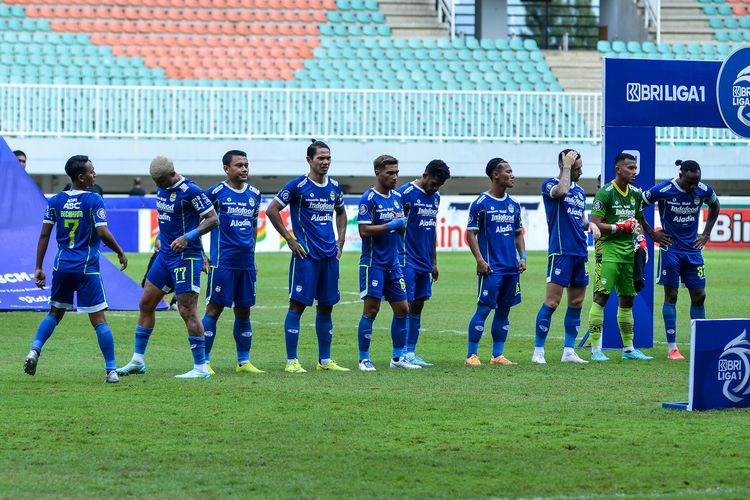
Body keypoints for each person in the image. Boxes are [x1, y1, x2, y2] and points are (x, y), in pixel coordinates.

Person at [23, 155, 128, 383]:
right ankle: (111, 370)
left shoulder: (55, 201)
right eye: (91, 171)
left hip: (62, 266)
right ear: (81, 177)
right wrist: (120, 251)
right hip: (86, 268)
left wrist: (38, 267)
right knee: (99, 319)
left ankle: (34, 350)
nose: (94, 174)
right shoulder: (94, 200)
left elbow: (44, 235)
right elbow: (102, 233)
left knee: (55, 313)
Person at [117, 156, 218, 379]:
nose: (156, 185)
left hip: (186, 257)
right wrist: (161, 237)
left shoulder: (191, 191)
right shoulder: (163, 189)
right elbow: (167, 219)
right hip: (165, 256)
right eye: (154, 181)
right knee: (146, 303)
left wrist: (188, 238)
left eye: (160, 181)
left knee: (186, 310)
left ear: (172, 174)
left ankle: (201, 368)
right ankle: (137, 361)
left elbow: (212, 219)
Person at [266, 140, 350, 373]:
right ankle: (292, 361)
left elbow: (341, 212)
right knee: (297, 307)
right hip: (306, 257)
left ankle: (325, 361)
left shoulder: (334, 187)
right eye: (320, 158)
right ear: (309, 160)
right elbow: (272, 210)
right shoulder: (297, 186)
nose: (325, 162)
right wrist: (290, 239)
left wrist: (340, 241)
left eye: (328, 158)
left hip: (329, 257)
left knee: (326, 307)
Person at [587, 152, 666, 361]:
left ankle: (629, 349)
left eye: (635, 167)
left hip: (629, 252)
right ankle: (596, 350)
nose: (634, 171)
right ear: (618, 170)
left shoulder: (635, 194)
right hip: (609, 250)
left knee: (628, 298)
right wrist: (618, 226)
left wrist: (650, 236)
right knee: (601, 296)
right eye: (630, 168)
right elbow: (594, 224)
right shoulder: (606, 193)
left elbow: (640, 219)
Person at [642, 159, 720, 360]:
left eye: (697, 182)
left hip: (693, 250)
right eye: (690, 182)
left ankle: (699, 344)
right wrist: (652, 233)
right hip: (671, 249)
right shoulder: (664, 189)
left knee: (700, 295)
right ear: (681, 174)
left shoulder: (703, 190)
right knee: (672, 295)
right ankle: (672, 348)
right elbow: (637, 205)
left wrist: (706, 233)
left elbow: (715, 205)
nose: (693, 187)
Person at [533, 150, 600, 364]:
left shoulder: (580, 192)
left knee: (577, 302)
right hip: (561, 251)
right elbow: (561, 192)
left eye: (580, 167)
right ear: (565, 166)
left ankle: (569, 351)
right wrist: (567, 168)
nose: (580, 171)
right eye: (576, 167)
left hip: (580, 252)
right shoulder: (550, 185)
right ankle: (538, 352)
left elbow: (580, 220)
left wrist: (591, 225)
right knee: (552, 303)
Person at [201, 150, 264, 375]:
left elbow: (254, 226)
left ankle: (243, 361)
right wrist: (201, 253)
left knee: (244, 311)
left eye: (246, 164)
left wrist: (252, 255)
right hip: (223, 262)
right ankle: (204, 361)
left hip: (245, 262)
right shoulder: (216, 193)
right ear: (226, 169)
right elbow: (196, 220)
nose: (244, 169)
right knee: (214, 309)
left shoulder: (255, 194)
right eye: (239, 165)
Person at [356, 154, 420, 371]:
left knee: (403, 309)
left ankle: (397, 358)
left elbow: (400, 228)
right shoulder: (369, 198)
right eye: (390, 173)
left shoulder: (396, 198)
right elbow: (364, 231)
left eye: (397, 173)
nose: (395, 177)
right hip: (373, 264)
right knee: (371, 310)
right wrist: (391, 225)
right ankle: (364, 358)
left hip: (394, 264)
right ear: (377, 173)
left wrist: (400, 225)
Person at [465, 158, 526, 366]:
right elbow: (471, 234)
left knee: (504, 311)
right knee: (483, 310)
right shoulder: (481, 203)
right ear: (495, 175)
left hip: (511, 268)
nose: (512, 175)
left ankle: (497, 355)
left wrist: (523, 257)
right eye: (508, 171)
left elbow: (518, 234)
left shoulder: (513, 204)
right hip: (491, 269)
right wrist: (480, 260)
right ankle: (471, 355)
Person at [397, 159, 451, 366]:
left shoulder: (435, 197)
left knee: (418, 305)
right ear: (425, 174)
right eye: (433, 183)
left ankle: (410, 352)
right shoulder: (405, 193)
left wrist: (434, 262)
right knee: (406, 305)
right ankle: (400, 353)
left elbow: (432, 229)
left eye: (439, 185)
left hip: (424, 261)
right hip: (406, 259)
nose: (435, 188)